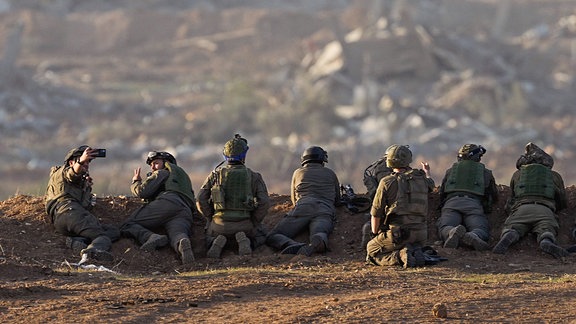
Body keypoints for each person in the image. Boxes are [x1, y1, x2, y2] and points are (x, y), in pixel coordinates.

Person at [196, 134, 270, 258]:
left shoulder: (215, 175)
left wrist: (210, 217)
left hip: (219, 225)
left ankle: (217, 242)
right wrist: (254, 221)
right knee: (262, 236)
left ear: (225, 155)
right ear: (244, 156)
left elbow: (200, 199)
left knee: (207, 237)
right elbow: (264, 202)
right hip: (245, 225)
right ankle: (246, 241)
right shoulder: (253, 176)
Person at [492, 142, 570, 259]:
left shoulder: (517, 174)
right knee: (546, 229)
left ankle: (508, 236)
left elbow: (512, 198)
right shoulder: (554, 176)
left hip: (522, 208)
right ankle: (546, 241)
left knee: (513, 227)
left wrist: (510, 211)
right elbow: (562, 201)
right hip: (544, 210)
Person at [45, 145, 120, 262]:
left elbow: (85, 206)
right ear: (71, 162)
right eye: (85, 162)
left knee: (113, 232)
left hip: (64, 219)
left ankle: (78, 241)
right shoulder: (62, 172)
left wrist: (86, 189)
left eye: (88, 162)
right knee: (102, 237)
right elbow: (72, 173)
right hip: (69, 211)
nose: (87, 164)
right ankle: (91, 253)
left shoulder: (76, 184)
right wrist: (80, 161)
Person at [120, 151, 197, 265]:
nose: (152, 167)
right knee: (177, 234)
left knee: (128, 224)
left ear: (166, 163)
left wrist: (136, 181)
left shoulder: (162, 172)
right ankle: (182, 245)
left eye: (156, 163)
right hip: (185, 210)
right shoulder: (183, 178)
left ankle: (151, 237)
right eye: (151, 165)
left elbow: (141, 192)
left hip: (168, 203)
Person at [365, 144, 435, 268]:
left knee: (371, 250)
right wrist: (427, 172)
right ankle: (415, 250)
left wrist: (375, 234)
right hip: (421, 234)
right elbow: (431, 185)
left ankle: (400, 256)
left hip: (399, 234)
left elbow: (376, 213)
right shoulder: (422, 179)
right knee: (410, 243)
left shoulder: (386, 182)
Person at [266, 146, 341, 256]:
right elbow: (337, 200)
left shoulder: (298, 173)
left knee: (274, 235)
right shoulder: (330, 173)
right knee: (320, 233)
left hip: (303, 208)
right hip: (325, 210)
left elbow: (294, 199)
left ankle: (291, 244)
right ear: (322, 160)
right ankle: (317, 243)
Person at [437, 144, 499, 251]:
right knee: (480, 229)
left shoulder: (451, 171)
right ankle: (474, 235)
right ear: (477, 157)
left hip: (452, 203)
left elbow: (442, 193)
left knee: (444, 227)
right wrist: (486, 208)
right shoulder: (485, 172)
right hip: (473, 204)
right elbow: (493, 195)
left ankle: (451, 232)